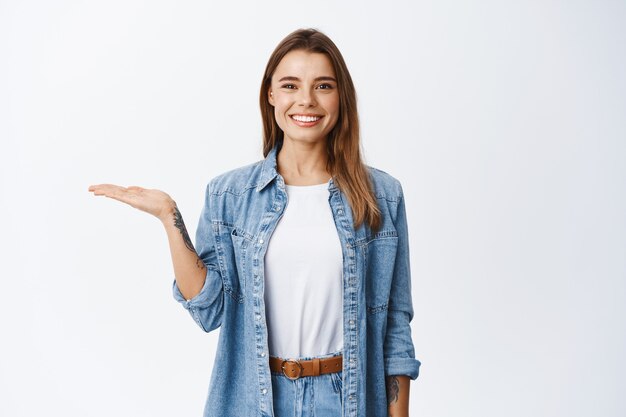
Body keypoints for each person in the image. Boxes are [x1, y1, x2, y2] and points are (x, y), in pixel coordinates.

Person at [89, 28, 421, 417]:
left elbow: (395, 329)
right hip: (256, 396)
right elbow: (208, 310)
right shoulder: (229, 195)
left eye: (323, 86)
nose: (306, 100)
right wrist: (169, 217)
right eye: (290, 85)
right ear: (271, 95)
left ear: (340, 97)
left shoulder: (380, 195)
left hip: (346, 398)